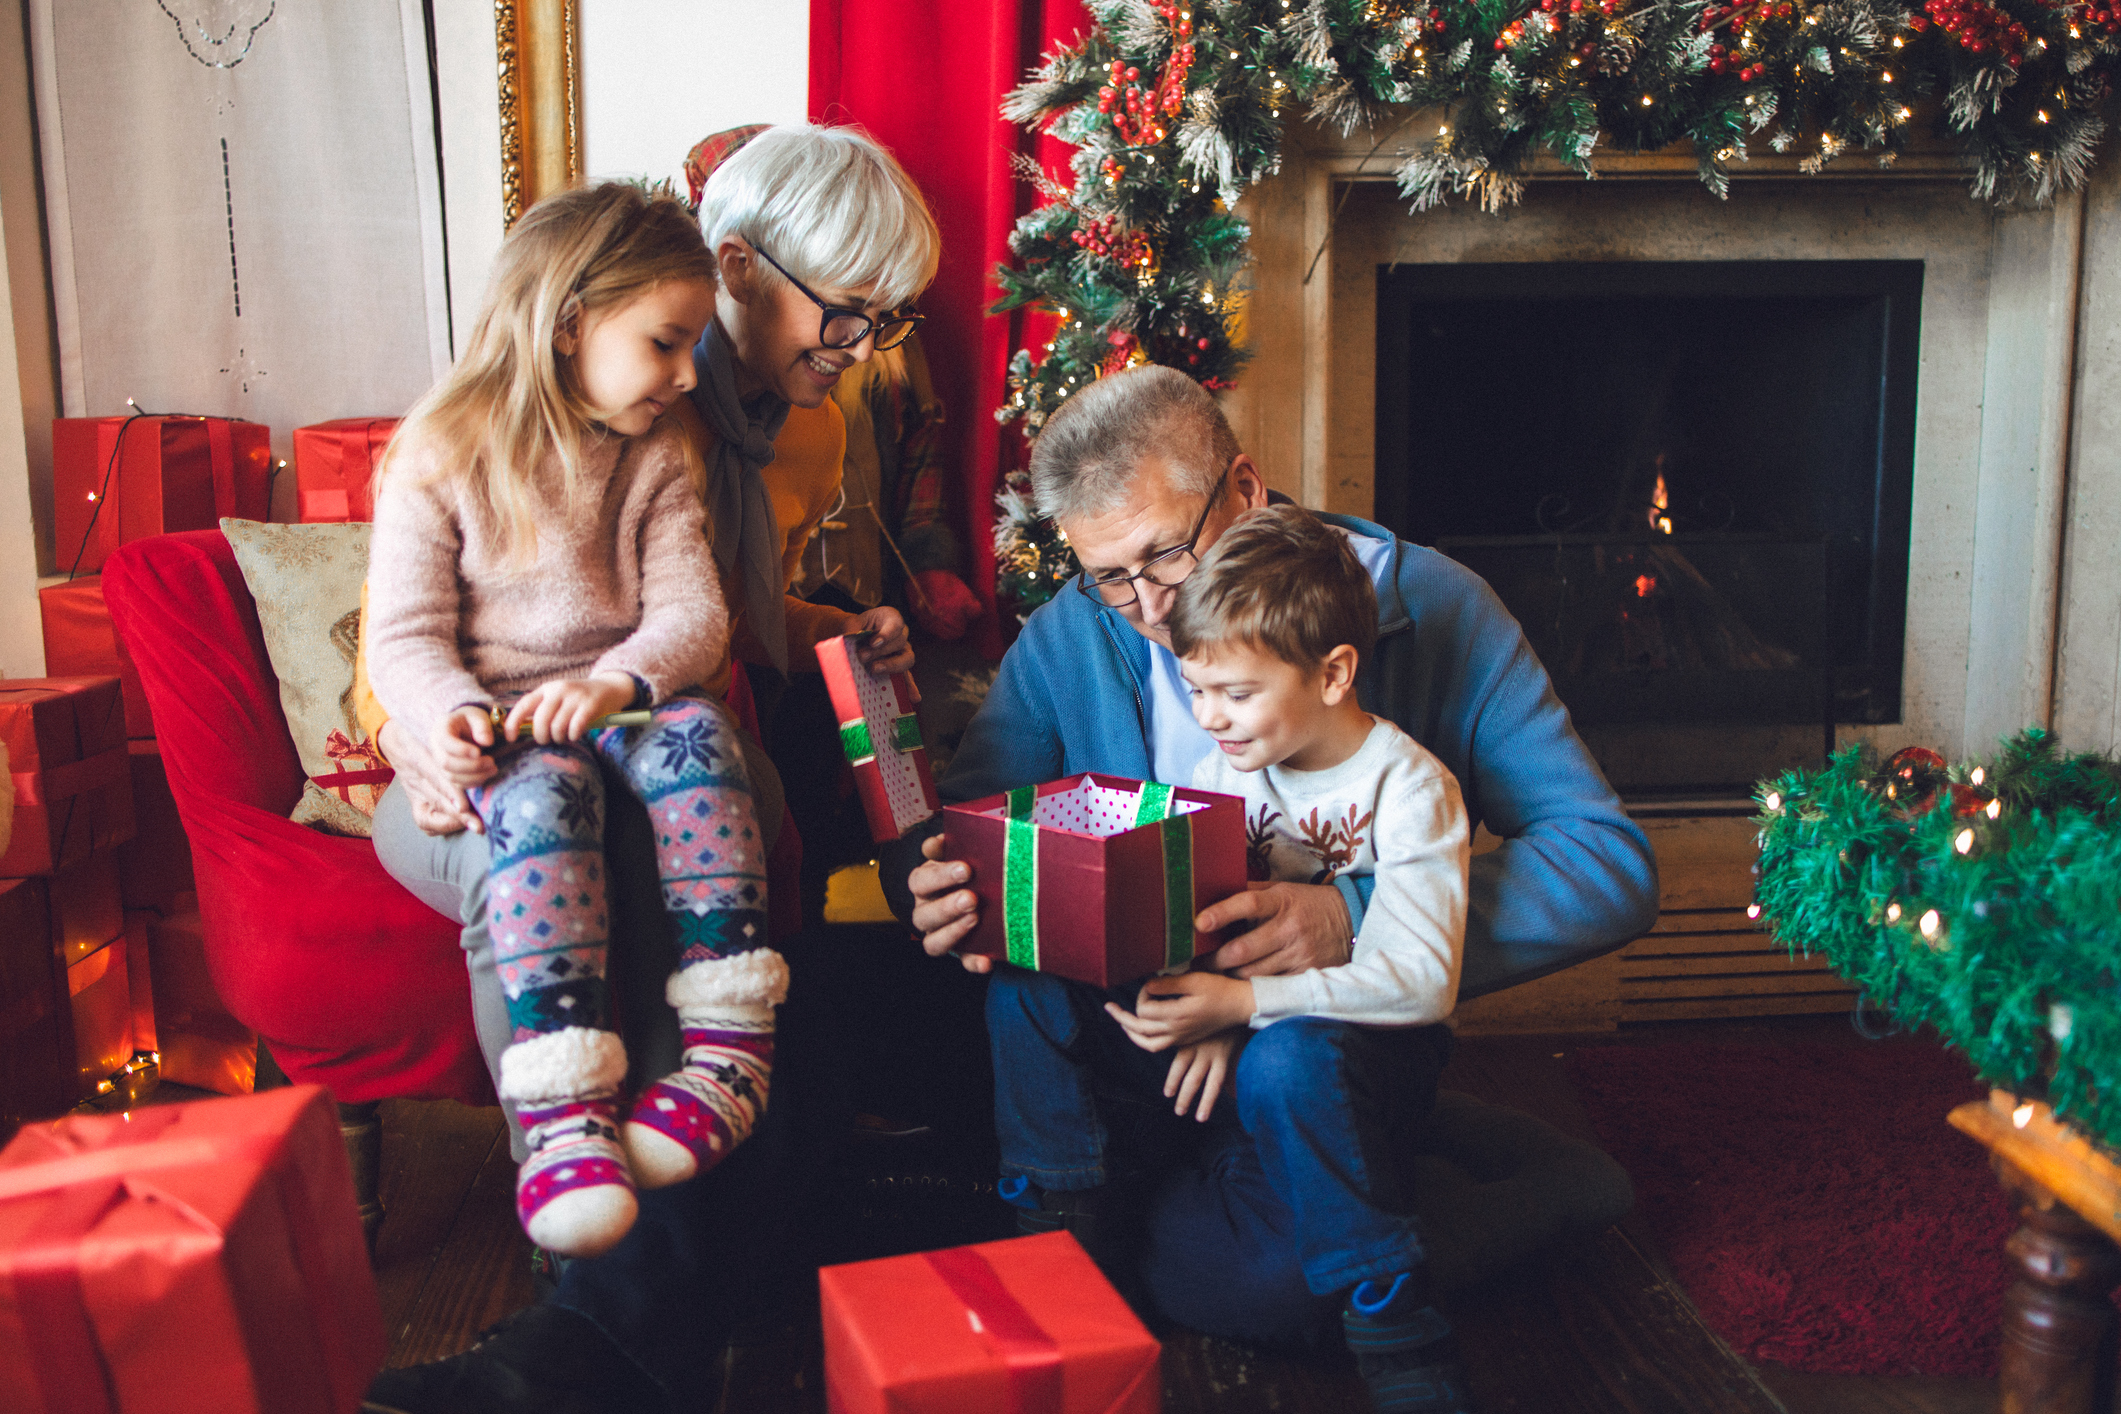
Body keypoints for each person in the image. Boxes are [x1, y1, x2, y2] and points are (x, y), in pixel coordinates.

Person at [888, 365, 1659, 1360]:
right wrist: (942, 882)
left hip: (1321, 1047)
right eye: (1109, 576)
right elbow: (971, 824)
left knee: (1248, 1292)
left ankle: (1532, 1183)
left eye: (1167, 554)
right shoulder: (1080, 630)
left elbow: (1608, 862)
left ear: (1246, 489)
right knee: (1037, 1051)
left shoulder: (1428, 603)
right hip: (1155, 1040)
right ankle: (1120, 1239)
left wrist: (1357, 913)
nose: (1151, 608)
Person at [366, 126, 941, 1414]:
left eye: (881, 327)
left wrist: (837, 625)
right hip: (534, 741)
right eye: (845, 319)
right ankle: (596, 1269)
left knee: (705, 789)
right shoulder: (556, 413)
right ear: (734, 271)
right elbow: (407, 638)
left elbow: (726, 611)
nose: (854, 356)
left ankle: (659, 1284)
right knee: (581, 827)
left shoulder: (781, 429)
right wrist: (429, 723)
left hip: (680, 722)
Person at [364, 181, 780, 1261]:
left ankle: (729, 1044)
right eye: (666, 341)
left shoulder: (655, 454)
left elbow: (696, 615)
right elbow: (402, 639)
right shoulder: (438, 452)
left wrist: (620, 682)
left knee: (700, 739)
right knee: (545, 796)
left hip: (619, 710)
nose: (689, 372)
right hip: (503, 737)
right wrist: (453, 713)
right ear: (567, 325)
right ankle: (561, 1117)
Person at [987, 501, 1476, 1411]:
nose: (1210, 719)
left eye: (1236, 693)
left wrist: (1243, 1011)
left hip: (1350, 1062)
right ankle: (1065, 1256)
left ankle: (1404, 1347)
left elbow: (1418, 982)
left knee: (1290, 1070)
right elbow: (1203, 921)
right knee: (1034, 994)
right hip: (1228, 1054)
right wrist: (1210, 1000)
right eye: (1195, 689)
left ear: (1332, 674)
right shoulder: (1225, 765)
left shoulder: (1410, 788)